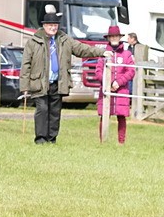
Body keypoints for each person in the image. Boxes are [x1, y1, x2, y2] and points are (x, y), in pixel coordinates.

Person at [20, 10, 105, 145]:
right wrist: (24, 86)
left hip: (58, 82)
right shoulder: (33, 41)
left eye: (55, 25)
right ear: (44, 26)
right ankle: (40, 139)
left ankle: (51, 139)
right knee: (42, 109)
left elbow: (82, 49)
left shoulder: (65, 40)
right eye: (50, 25)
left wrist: (102, 52)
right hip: (39, 82)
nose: (53, 28)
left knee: (55, 112)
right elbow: (26, 65)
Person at [90, 26, 136, 144]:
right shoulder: (103, 54)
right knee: (104, 116)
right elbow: (98, 71)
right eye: (112, 36)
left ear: (119, 37)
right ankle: (103, 141)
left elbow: (131, 71)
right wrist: (107, 83)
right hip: (106, 90)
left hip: (121, 90)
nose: (114, 38)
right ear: (109, 38)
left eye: (116, 36)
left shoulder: (126, 54)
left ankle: (121, 142)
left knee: (121, 117)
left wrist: (118, 82)